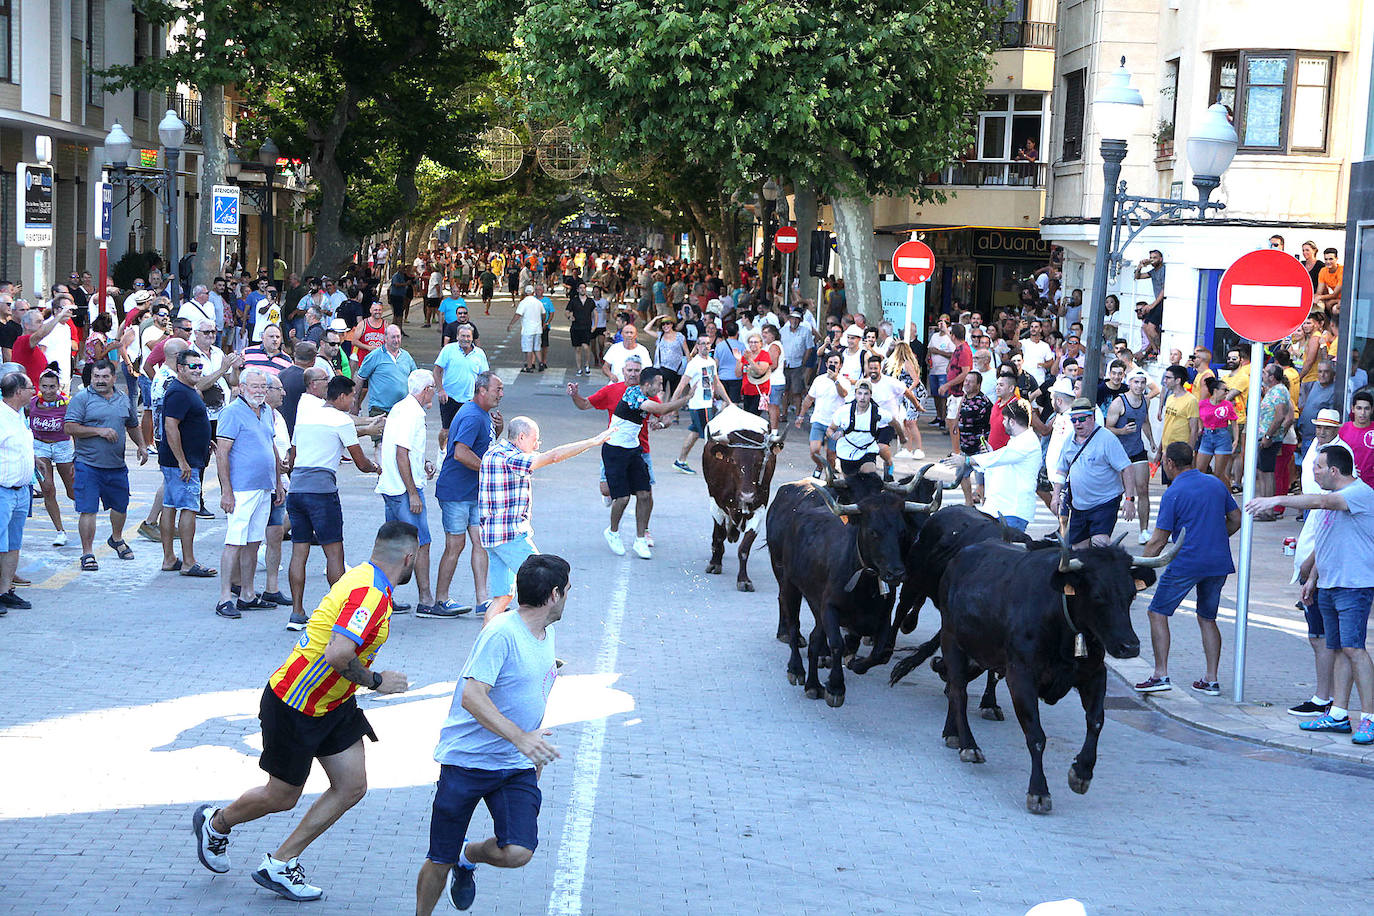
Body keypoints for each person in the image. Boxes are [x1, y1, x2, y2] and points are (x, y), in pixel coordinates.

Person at [191, 522, 418, 901]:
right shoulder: (371, 594)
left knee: (351, 786)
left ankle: (281, 863)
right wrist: (377, 681)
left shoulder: (364, 575)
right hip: (295, 704)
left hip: (333, 704)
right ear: (409, 557)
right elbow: (339, 654)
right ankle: (216, 823)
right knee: (281, 796)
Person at [414, 554, 571, 914]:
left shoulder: (545, 632)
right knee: (439, 857)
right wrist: (521, 737)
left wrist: (529, 741)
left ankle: (468, 857)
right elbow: (471, 696)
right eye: (568, 591)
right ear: (555, 594)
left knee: (518, 851)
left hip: (514, 766)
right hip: (467, 764)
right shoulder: (501, 634)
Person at [1248, 446, 1374, 745]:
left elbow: (1319, 501)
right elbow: (1327, 542)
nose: (1313, 472)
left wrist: (1277, 499)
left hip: (1353, 586)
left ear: (1334, 470)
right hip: (1330, 585)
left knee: (1355, 649)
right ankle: (1339, 714)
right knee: (1341, 648)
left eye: (1318, 467)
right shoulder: (1335, 503)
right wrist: (1313, 579)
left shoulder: (1358, 494)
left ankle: (1369, 718)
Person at [1133, 442, 1242, 695]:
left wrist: (1138, 567)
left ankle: (1161, 674)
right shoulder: (1216, 483)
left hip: (1188, 561)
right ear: (1192, 458)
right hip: (1218, 561)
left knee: (1157, 612)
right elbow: (1236, 519)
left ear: (1170, 463)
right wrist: (1215, 535)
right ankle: (1211, 679)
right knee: (1207, 618)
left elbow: (1159, 540)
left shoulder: (1174, 492)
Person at [477, 416, 608, 623]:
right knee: (545, 587)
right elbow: (553, 456)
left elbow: (547, 455)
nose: (537, 445)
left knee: (503, 597)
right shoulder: (512, 459)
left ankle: (486, 648)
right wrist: (593, 442)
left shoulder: (495, 451)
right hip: (510, 537)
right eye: (535, 440)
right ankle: (536, 643)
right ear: (521, 437)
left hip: (493, 537)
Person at [286, 375, 381, 629]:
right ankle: (339, 612)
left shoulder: (305, 417)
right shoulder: (341, 420)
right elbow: (361, 463)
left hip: (296, 490)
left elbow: (293, 458)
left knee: (299, 551)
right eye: (351, 397)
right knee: (334, 552)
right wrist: (377, 468)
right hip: (322, 492)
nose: (352, 403)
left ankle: (297, 612)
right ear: (340, 397)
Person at [1288, 411, 1350, 717]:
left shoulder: (1334, 499)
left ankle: (1328, 700)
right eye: (1319, 427)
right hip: (1314, 565)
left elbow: (1327, 536)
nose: (1313, 471)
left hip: (1326, 572)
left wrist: (1308, 572)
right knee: (1320, 638)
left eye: (1319, 468)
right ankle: (1329, 699)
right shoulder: (1316, 447)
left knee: (1328, 640)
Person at [212, 368, 286, 619]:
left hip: (264, 487)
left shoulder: (267, 412)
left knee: (253, 543)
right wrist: (226, 491)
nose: (259, 391)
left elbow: (271, 447)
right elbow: (222, 453)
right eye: (254, 386)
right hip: (242, 489)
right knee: (234, 542)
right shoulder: (231, 413)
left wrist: (277, 482)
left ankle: (247, 594)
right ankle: (224, 598)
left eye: (263, 387)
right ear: (242, 388)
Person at [64, 361, 147, 570]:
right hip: (88, 464)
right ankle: (87, 553)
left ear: (113, 378)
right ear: (91, 378)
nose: (100, 381)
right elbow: (69, 427)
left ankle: (117, 539)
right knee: (88, 510)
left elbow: (132, 425)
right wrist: (98, 431)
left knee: (120, 506)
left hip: (116, 465)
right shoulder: (81, 399)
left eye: (105, 377)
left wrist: (142, 446)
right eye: (96, 377)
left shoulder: (123, 399)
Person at [434, 372, 504, 618]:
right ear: (482, 390)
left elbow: (482, 446)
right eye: (498, 388)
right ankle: (440, 600)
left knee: (480, 543)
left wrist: (499, 429)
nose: (501, 393)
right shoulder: (473, 416)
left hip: (473, 492)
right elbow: (460, 453)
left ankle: (482, 600)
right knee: (455, 545)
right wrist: (489, 469)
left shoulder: (481, 414)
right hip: (456, 493)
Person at [601, 367, 690, 559]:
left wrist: (661, 424)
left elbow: (663, 417)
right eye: (658, 383)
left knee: (645, 494)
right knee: (623, 498)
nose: (660, 387)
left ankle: (640, 539)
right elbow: (661, 409)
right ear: (647, 384)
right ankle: (613, 532)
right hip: (615, 450)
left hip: (634, 450)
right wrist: (686, 398)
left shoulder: (648, 397)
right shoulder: (634, 394)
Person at [377, 370, 438, 615]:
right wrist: (413, 492)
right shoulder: (411, 413)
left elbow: (403, 451)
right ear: (425, 390)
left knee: (394, 544)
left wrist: (422, 465)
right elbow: (401, 453)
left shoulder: (401, 409)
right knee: (421, 543)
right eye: (433, 387)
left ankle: (384, 598)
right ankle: (426, 600)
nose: (434, 391)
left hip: (393, 486)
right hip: (403, 490)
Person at [159, 349, 216, 577]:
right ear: (180, 368)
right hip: (183, 463)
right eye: (192, 366)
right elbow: (170, 426)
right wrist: (183, 461)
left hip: (185, 459)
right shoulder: (179, 392)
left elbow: (187, 424)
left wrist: (205, 441)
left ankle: (170, 558)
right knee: (189, 508)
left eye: (199, 366)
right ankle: (188, 562)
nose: (197, 370)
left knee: (171, 505)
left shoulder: (186, 390)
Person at [1052, 397, 1136, 547]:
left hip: (1105, 502)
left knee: (1100, 543)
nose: (1078, 423)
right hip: (1079, 505)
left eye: (1082, 419)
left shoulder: (1107, 439)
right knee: (1078, 549)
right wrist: (1055, 496)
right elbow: (1061, 470)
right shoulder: (1069, 441)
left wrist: (1129, 500)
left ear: (1092, 418)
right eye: (1074, 420)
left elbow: (1126, 468)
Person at [951, 399, 1041, 531]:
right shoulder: (1017, 441)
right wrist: (989, 453)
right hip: (1001, 508)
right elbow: (1003, 460)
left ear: (1012, 421)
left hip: (1013, 512)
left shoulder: (1027, 441)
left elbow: (1002, 457)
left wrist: (967, 460)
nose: (1003, 423)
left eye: (1004, 419)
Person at [1105, 369, 1157, 542]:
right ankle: (1105, 533)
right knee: (1115, 493)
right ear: (1130, 383)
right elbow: (1107, 428)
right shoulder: (1119, 403)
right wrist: (1122, 430)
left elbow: (1146, 422)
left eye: (1143, 383)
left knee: (1143, 489)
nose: (1140, 386)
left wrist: (1151, 440)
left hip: (1137, 450)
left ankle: (1144, 531)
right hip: (1118, 453)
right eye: (1136, 382)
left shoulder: (1146, 401)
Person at [0, 371, 36, 612]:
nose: (35, 391)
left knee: (13, 544)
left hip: (21, 491)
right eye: (31, 388)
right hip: (3, 490)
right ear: (19, 392)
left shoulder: (19, 414)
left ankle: (5, 591)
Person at [672, 335, 731, 473]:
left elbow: (716, 383)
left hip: (707, 404)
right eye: (702, 343)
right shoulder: (694, 364)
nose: (706, 346)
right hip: (699, 405)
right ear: (697, 346)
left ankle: (680, 461)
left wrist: (728, 401)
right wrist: (671, 407)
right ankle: (714, 467)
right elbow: (682, 385)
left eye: (708, 343)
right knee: (711, 437)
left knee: (695, 433)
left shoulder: (711, 361)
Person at [29, 370, 74, 546]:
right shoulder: (31, 403)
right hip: (40, 446)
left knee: (72, 491)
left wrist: (77, 454)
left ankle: (87, 514)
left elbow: (75, 426)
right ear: (39, 386)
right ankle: (60, 531)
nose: (48, 391)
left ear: (59, 387)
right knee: (47, 489)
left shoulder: (67, 404)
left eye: (52, 387)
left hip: (62, 446)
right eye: (44, 386)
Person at [356, 324, 418, 446]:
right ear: (385, 338)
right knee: (380, 445)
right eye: (393, 337)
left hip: (402, 410)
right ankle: (381, 465)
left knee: (400, 445)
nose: (396, 340)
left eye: (398, 337)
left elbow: (415, 378)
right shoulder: (374, 356)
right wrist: (355, 402)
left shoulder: (406, 356)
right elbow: (360, 378)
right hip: (380, 408)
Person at [827, 379, 902, 476]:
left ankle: (887, 469)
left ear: (870, 395)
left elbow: (895, 423)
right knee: (850, 482)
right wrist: (833, 435)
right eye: (860, 393)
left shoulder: (878, 412)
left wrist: (903, 438)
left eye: (866, 394)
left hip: (867, 450)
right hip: (847, 451)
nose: (862, 397)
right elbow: (830, 429)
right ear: (855, 394)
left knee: (869, 476)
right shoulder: (843, 411)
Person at [1251, 363, 1295, 521]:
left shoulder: (1279, 391)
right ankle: (1264, 508)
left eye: (1264, 373)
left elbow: (1280, 416)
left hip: (1269, 438)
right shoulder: (1274, 391)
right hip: (1265, 436)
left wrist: (1269, 436)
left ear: (1272, 377)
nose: (1262, 375)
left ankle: (1268, 510)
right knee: (1262, 472)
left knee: (1268, 473)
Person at [434, 325, 489, 444]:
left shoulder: (479, 353)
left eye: (468, 336)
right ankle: (442, 453)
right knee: (446, 431)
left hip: (470, 400)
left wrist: (481, 398)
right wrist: (441, 390)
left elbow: (484, 378)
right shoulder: (448, 350)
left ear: (472, 337)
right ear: (457, 336)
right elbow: (437, 371)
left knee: (468, 430)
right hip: (449, 397)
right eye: (462, 336)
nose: (465, 339)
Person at [797, 352, 848, 478]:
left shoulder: (844, 380)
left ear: (840, 365)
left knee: (831, 454)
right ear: (826, 364)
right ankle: (820, 466)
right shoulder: (819, 380)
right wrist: (800, 416)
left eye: (836, 363)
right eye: (830, 362)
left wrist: (835, 380)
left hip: (835, 424)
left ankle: (829, 475)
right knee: (814, 451)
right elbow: (809, 399)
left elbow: (844, 394)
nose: (833, 365)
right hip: (819, 420)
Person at [1156, 364, 1199, 483]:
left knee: (1182, 484)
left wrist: (1189, 454)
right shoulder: (1170, 399)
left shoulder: (1191, 400)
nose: (1165, 381)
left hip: (1181, 451)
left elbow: (1194, 430)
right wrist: (1160, 451)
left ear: (1178, 380)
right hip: (1167, 450)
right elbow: (1167, 425)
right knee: (1169, 484)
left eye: (1168, 378)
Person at [1196, 376, 1238, 490]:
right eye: (1224, 390)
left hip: (1222, 436)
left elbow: (1234, 422)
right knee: (1199, 470)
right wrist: (1200, 427)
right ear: (1215, 391)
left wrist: (1236, 439)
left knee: (1219, 473)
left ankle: (1228, 496)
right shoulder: (1203, 404)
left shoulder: (1227, 405)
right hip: (1207, 436)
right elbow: (1198, 416)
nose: (1226, 392)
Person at [1133, 249, 1166, 357]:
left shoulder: (1164, 269)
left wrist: (1152, 305)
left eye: (1155, 258)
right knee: (1145, 326)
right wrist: (1140, 266)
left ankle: (1160, 350)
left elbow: (1164, 289)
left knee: (1151, 326)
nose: (1152, 260)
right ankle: (1155, 351)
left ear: (1160, 259)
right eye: (1151, 258)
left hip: (1162, 301)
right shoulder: (1153, 271)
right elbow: (1137, 276)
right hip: (1157, 302)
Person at [1338, 390, 1374, 483]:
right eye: (1359, 408)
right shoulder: (1343, 429)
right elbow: (1336, 455)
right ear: (1353, 409)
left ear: (1372, 410)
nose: (1362, 413)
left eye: (1366, 408)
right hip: (1349, 484)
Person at [508, 286, 544, 373]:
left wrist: (511, 324)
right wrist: (542, 322)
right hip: (538, 329)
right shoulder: (538, 302)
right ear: (533, 292)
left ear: (525, 293)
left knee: (528, 349)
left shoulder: (523, 303)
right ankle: (541, 363)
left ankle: (529, 366)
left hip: (528, 330)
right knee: (537, 348)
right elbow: (543, 314)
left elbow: (518, 314)